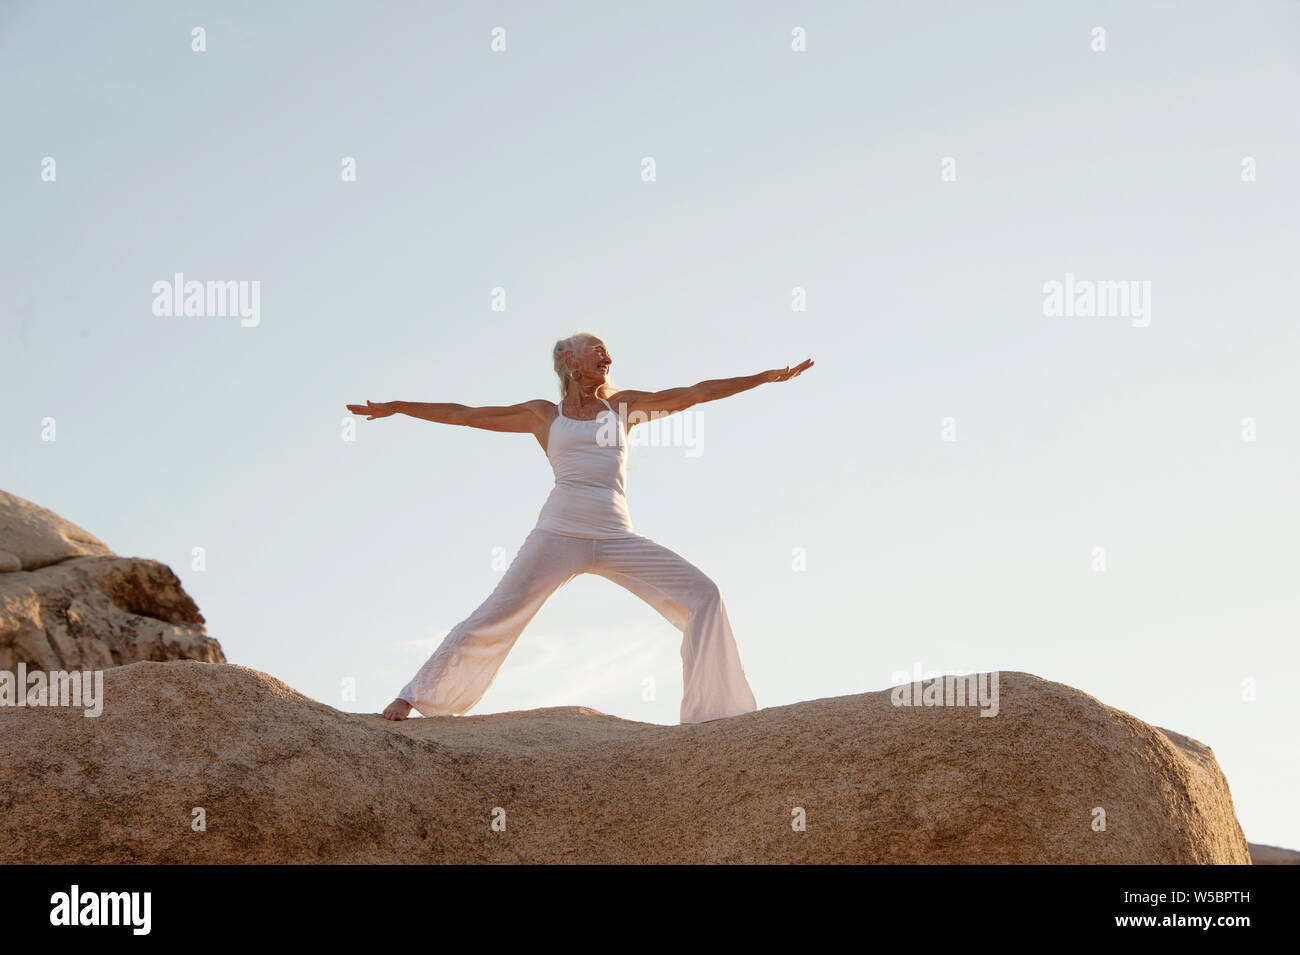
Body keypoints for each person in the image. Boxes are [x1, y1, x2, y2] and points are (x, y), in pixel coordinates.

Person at [346, 332, 813, 724]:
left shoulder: (624, 407)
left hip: (615, 536)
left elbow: (696, 391)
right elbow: (464, 414)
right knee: (496, 613)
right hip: (559, 532)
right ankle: (413, 697)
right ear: (570, 360)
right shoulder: (542, 415)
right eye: (598, 350)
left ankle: (715, 713)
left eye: (609, 353)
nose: (607, 358)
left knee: (704, 594)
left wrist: (766, 377)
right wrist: (399, 407)